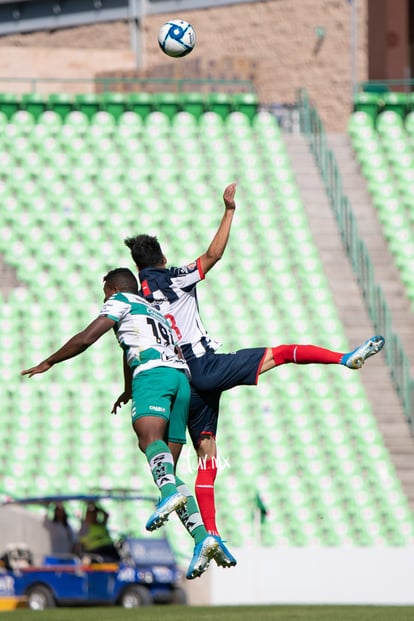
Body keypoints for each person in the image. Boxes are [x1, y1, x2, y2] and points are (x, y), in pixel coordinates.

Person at [121, 183, 385, 567]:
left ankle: (207, 536)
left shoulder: (137, 298)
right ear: (161, 256)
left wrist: (128, 388)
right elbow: (213, 255)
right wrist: (228, 210)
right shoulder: (174, 276)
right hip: (204, 366)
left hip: (176, 382)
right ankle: (346, 359)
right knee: (279, 355)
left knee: (206, 457)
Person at [21, 267, 223, 580]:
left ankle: (170, 494)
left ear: (114, 289)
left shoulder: (120, 301)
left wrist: (50, 360)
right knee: (166, 470)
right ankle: (203, 537)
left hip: (153, 375)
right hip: (181, 380)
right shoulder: (152, 310)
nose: (105, 300)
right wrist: (128, 390)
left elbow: (87, 338)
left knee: (147, 438)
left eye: (105, 294)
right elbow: (129, 346)